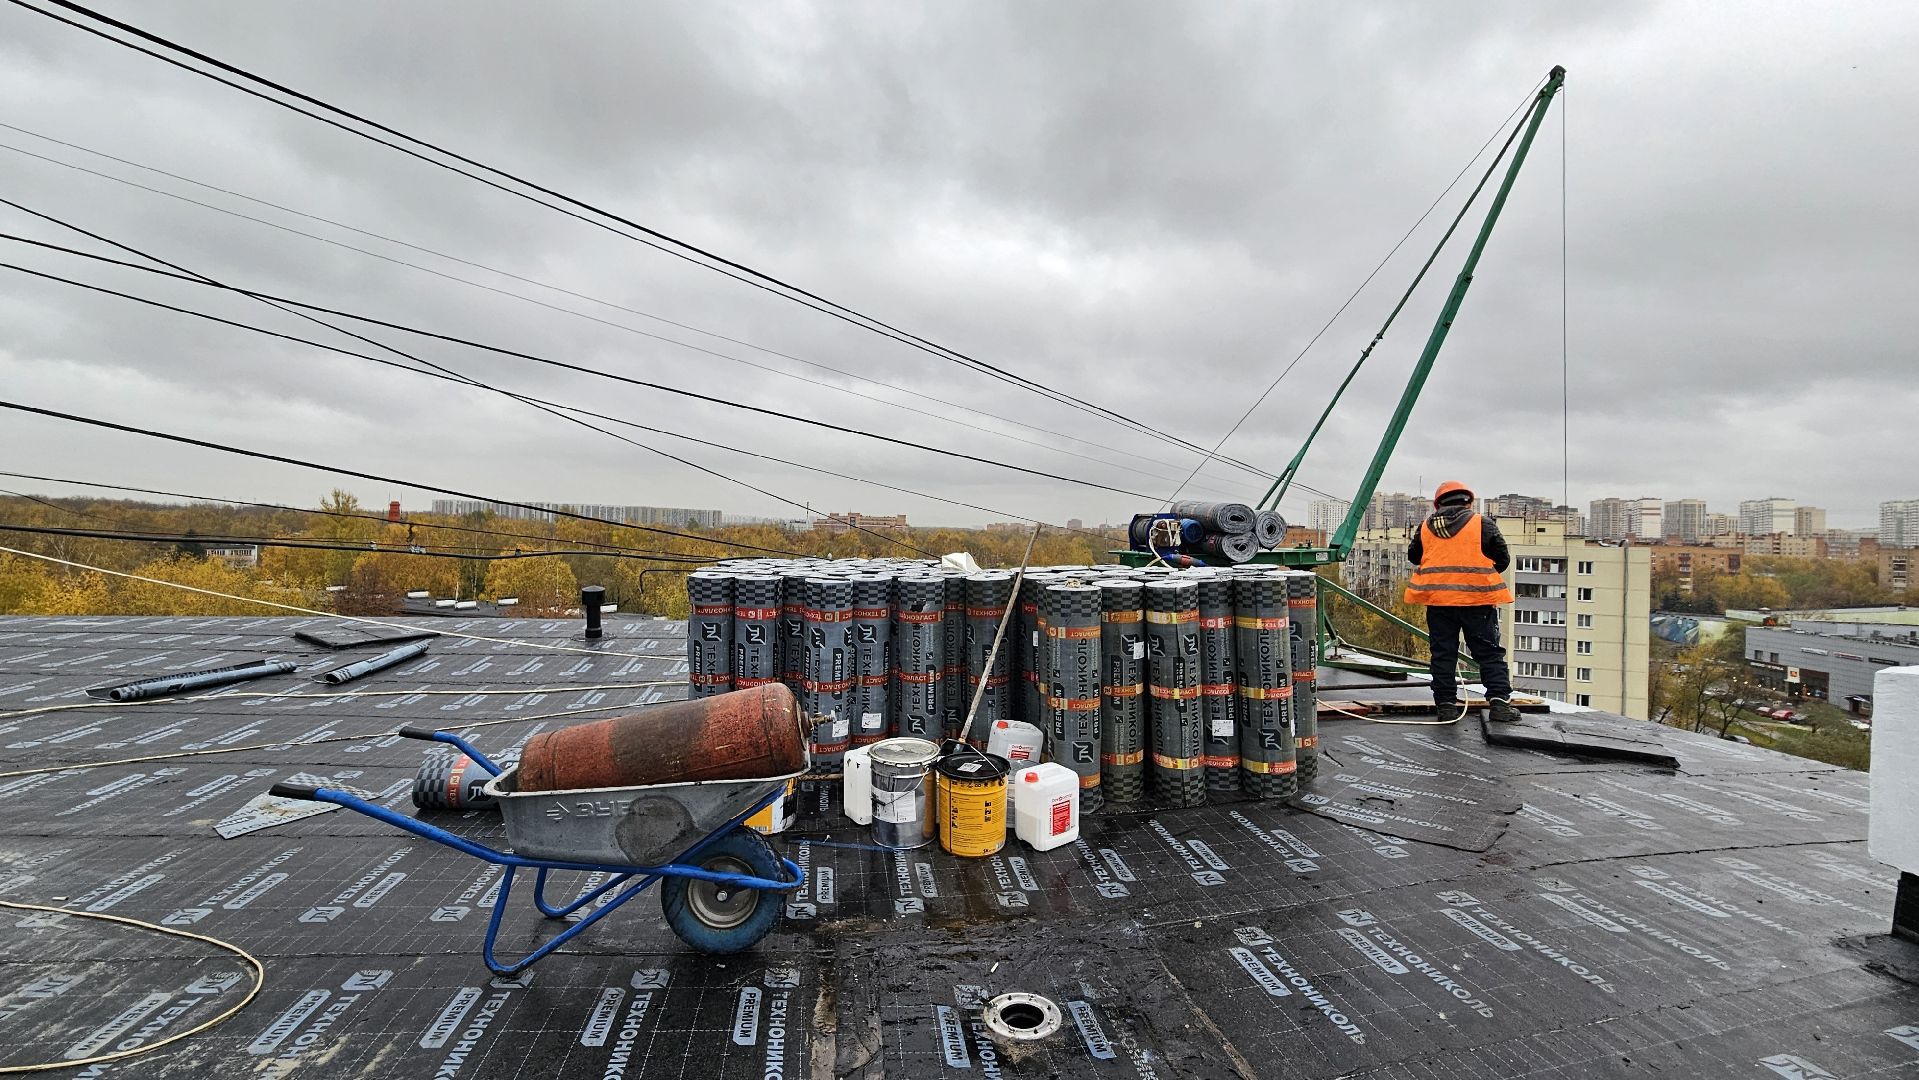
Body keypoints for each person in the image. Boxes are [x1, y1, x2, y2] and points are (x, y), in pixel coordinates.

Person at [1404, 481, 1520, 722]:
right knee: (1489, 653)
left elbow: (1414, 557)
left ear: (1438, 504)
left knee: (1443, 655)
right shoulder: (1482, 524)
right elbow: (1502, 558)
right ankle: (1500, 705)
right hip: (1477, 602)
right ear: (1468, 502)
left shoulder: (1426, 527)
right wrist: (1477, 575)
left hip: (1439, 603)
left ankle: (1446, 707)